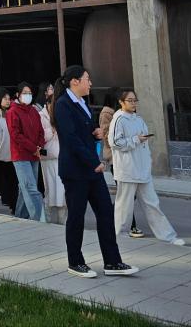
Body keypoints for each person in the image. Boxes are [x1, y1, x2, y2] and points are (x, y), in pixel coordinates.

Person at [55, 65, 138, 279]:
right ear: (75, 81)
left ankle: (112, 261)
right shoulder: (63, 104)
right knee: (77, 217)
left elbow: (85, 131)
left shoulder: (83, 102)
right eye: (87, 79)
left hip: (92, 170)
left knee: (105, 213)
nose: (90, 83)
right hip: (76, 170)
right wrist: (94, 161)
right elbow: (70, 139)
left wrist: (96, 133)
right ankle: (75, 262)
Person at [109, 88, 184, 245]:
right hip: (128, 170)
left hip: (142, 169)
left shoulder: (138, 119)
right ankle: (119, 236)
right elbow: (115, 142)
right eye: (130, 100)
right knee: (124, 206)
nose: (133, 103)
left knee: (152, 204)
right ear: (121, 102)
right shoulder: (119, 119)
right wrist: (136, 140)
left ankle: (168, 236)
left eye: (135, 100)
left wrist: (144, 151)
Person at [100, 89, 142, 238]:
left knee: (129, 194)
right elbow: (107, 137)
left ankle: (112, 215)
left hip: (129, 158)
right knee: (127, 194)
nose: (131, 102)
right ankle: (131, 226)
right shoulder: (107, 114)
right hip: (116, 159)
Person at [8, 81, 47, 223]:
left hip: (34, 154)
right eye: (24, 93)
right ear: (18, 95)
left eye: (29, 93)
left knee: (25, 187)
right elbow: (16, 135)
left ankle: (20, 216)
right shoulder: (12, 112)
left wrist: (39, 146)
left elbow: (41, 131)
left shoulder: (33, 111)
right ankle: (39, 217)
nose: (27, 95)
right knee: (30, 188)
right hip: (20, 155)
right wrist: (33, 148)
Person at [36, 82, 66, 224]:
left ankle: (62, 220)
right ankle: (46, 219)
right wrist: (51, 130)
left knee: (61, 191)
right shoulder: (40, 116)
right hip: (47, 158)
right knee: (49, 190)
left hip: (61, 157)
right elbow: (39, 136)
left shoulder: (60, 115)